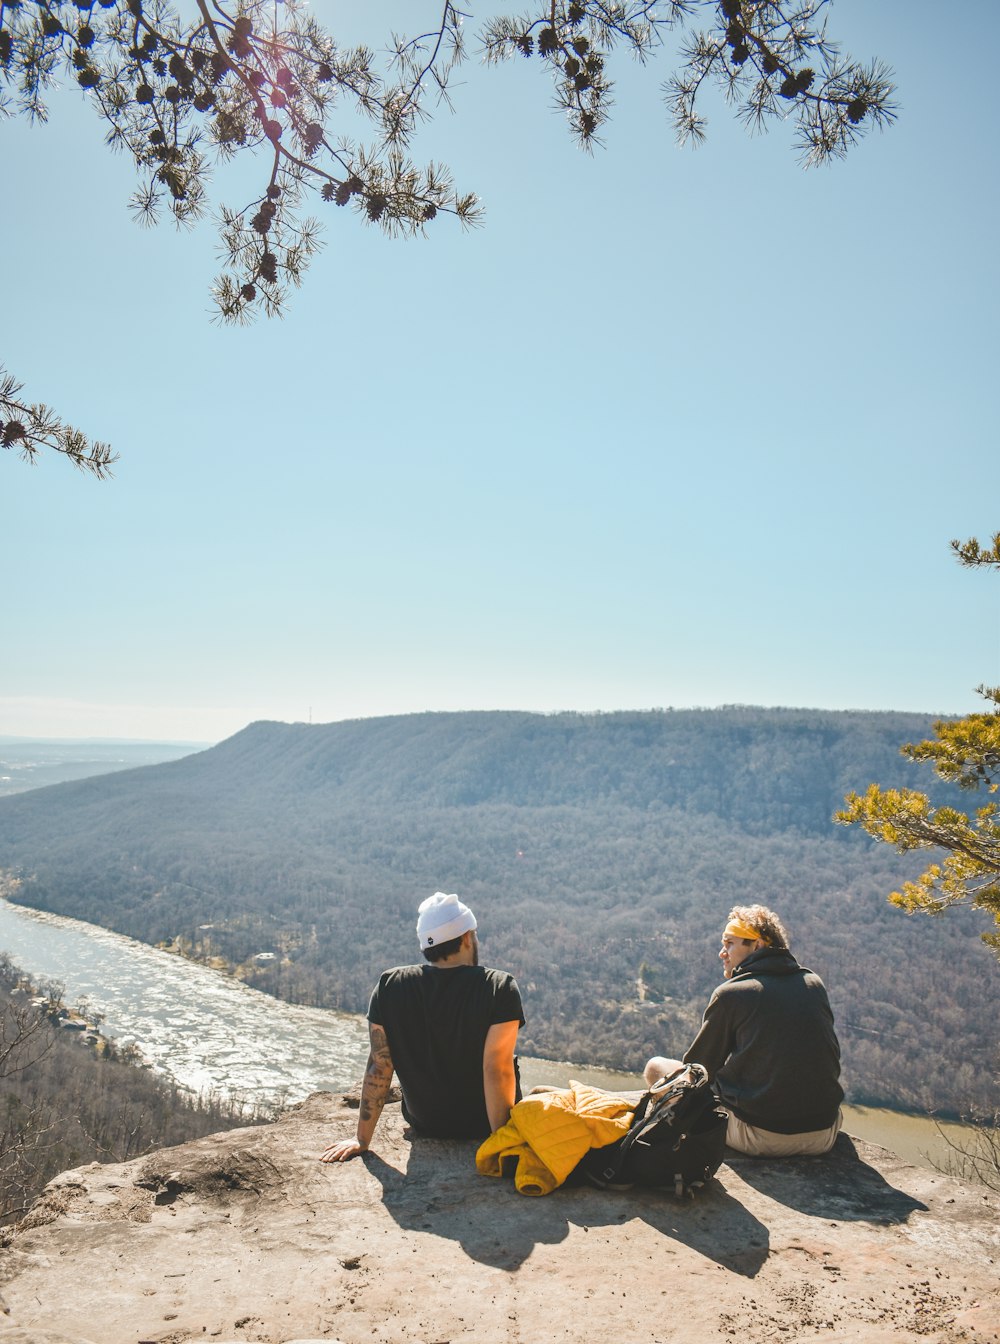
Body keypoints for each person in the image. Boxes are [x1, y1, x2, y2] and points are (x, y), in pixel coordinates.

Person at [320, 891, 524, 1162]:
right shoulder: (499, 987)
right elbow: (496, 1069)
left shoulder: (390, 985)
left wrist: (361, 1139)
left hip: (426, 1124)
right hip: (483, 1127)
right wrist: (502, 1144)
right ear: (465, 937)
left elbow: (380, 1065)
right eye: (473, 933)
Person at [644, 904, 843, 1156]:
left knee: (656, 1067)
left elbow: (697, 1072)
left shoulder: (732, 994)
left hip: (760, 1137)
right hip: (824, 1134)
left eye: (729, 944)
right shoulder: (813, 984)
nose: (721, 953)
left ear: (757, 945)